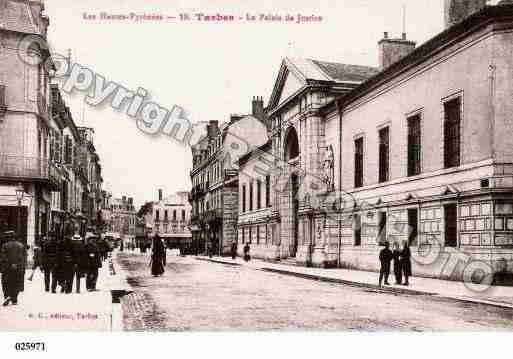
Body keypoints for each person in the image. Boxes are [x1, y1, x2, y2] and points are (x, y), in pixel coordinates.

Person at [1, 231, 26, 306]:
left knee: (6, 282)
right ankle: (14, 298)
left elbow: (3, 257)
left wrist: (10, 264)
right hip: (18, 268)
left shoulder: (5, 245)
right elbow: (23, 257)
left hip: (8, 268)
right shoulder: (21, 245)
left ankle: (7, 295)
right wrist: (18, 265)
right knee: (16, 282)